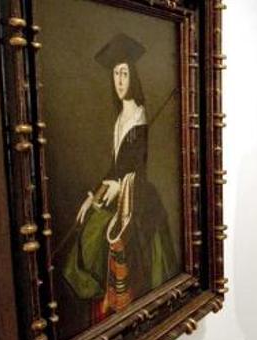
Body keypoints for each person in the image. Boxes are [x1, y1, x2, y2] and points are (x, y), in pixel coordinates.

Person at [63, 32, 178, 323]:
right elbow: (114, 168)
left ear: (133, 76)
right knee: (88, 224)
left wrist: (117, 186)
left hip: (137, 196)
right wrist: (93, 196)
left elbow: (133, 169)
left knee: (98, 235)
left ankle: (118, 303)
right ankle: (101, 301)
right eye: (115, 74)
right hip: (118, 190)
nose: (119, 80)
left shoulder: (138, 117)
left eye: (124, 73)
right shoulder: (119, 118)